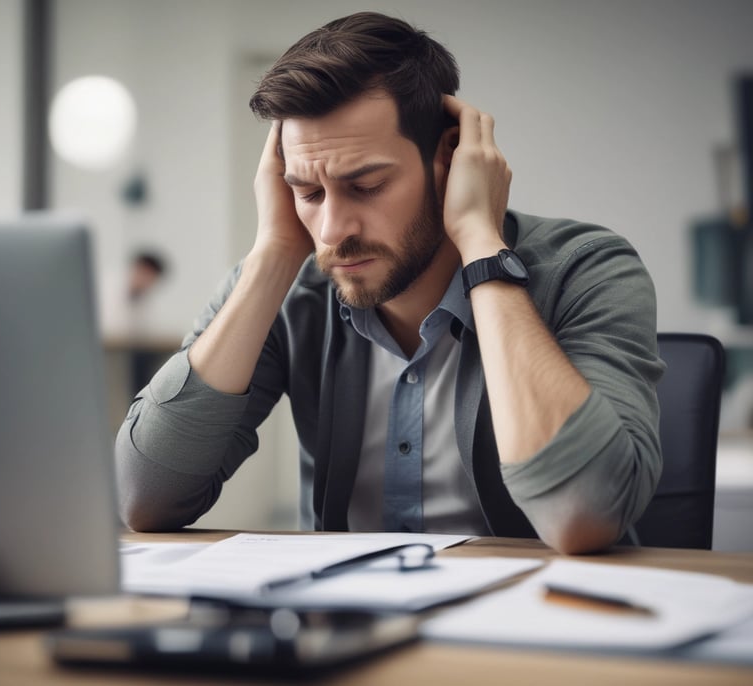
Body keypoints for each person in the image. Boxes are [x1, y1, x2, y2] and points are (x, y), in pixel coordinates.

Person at [115, 11, 664, 554]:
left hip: (537, 630)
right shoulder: (292, 289)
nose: (333, 230)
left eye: (367, 185)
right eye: (308, 193)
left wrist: (479, 242)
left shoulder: (588, 269)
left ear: (450, 160)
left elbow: (583, 515)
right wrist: (275, 253)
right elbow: (145, 496)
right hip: (344, 628)